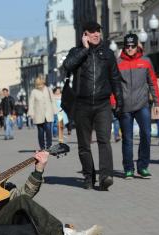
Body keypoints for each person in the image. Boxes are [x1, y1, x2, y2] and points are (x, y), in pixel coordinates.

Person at [63, 21, 123, 191]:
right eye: (92, 32)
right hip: (82, 104)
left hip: (103, 104)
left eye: (98, 31)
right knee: (84, 145)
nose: (96, 34)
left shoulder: (108, 53)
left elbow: (115, 78)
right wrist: (84, 50)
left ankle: (106, 176)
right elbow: (67, 66)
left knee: (104, 140)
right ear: (85, 35)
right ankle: (89, 176)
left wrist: (119, 101)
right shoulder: (76, 52)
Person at [117, 34, 159, 180]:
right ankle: (128, 168)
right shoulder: (118, 63)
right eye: (127, 46)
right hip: (125, 107)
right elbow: (113, 85)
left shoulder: (145, 61)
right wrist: (113, 102)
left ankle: (142, 167)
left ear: (137, 46)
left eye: (132, 46)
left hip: (142, 105)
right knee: (127, 139)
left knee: (146, 135)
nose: (130, 49)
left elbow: (153, 82)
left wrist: (157, 102)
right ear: (124, 46)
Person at [28, 75, 58, 149]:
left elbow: (53, 100)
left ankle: (49, 146)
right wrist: (31, 113)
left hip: (48, 113)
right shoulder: (34, 92)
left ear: (43, 83)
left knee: (48, 130)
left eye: (41, 84)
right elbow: (31, 103)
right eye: (38, 85)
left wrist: (55, 110)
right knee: (40, 132)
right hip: (38, 114)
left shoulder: (48, 89)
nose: (40, 86)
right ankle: (42, 147)